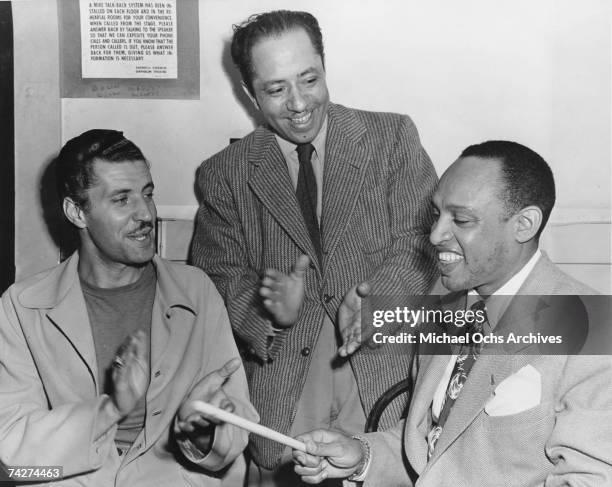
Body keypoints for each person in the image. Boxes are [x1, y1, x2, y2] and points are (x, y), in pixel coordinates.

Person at [190, 9, 438, 485]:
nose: (299, 103)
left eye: (309, 79)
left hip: (387, 396)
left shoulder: (392, 138)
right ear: (248, 92)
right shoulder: (224, 173)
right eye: (276, 88)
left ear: (325, 67)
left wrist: (376, 304)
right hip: (283, 409)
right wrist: (265, 310)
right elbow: (217, 276)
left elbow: (422, 242)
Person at [293, 140, 612, 486]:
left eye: (461, 219)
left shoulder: (594, 328)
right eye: (436, 214)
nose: (435, 234)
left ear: (525, 224)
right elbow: (434, 447)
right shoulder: (443, 302)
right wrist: (362, 457)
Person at [0, 129, 258, 486]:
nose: (146, 214)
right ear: (77, 212)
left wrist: (201, 432)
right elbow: (14, 454)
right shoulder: (22, 308)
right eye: (122, 200)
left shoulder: (197, 292)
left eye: (147, 194)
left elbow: (236, 429)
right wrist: (110, 410)